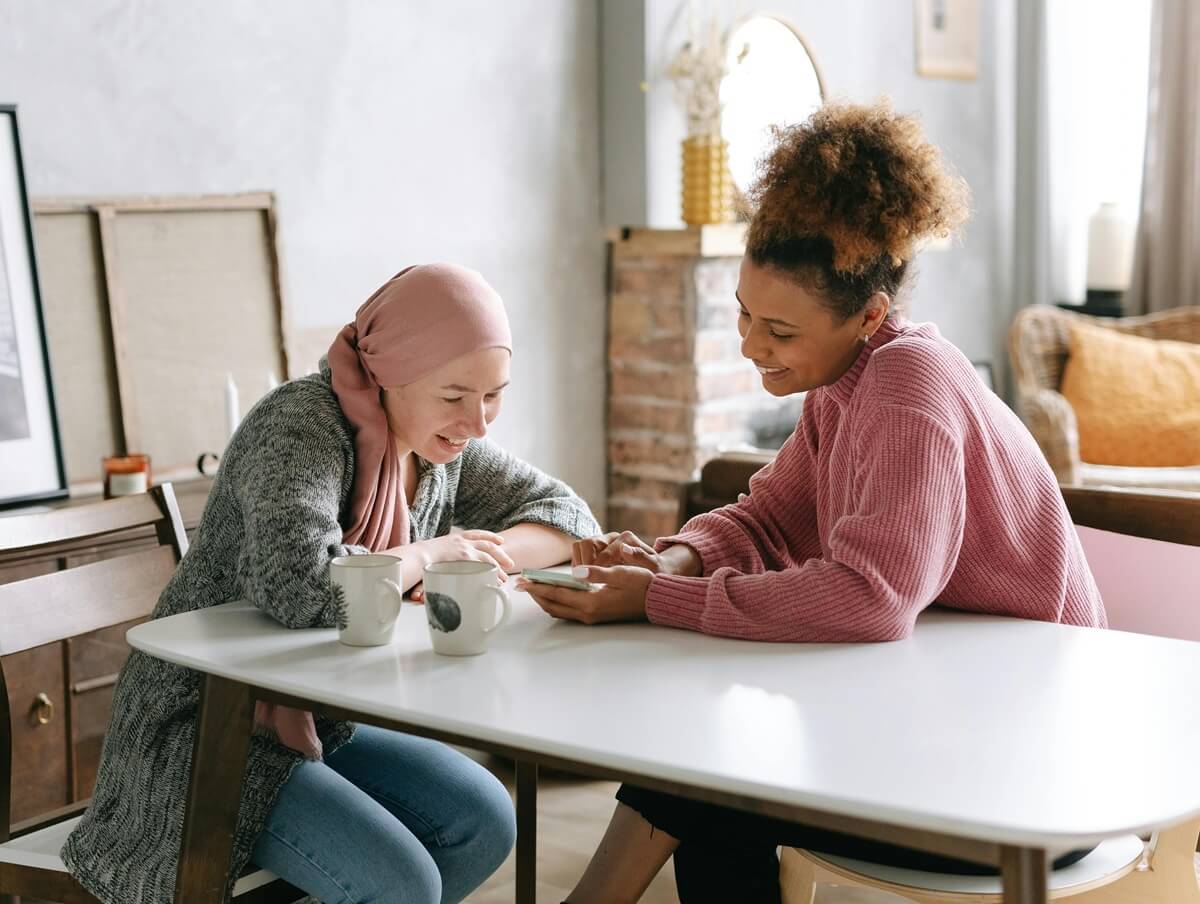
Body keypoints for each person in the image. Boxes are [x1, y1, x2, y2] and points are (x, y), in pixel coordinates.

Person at [517, 102, 1106, 904]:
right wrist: (673, 557)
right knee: (708, 769)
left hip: (1033, 782)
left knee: (719, 783)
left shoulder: (909, 390)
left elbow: (872, 599)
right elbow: (766, 516)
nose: (754, 346)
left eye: (781, 332)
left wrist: (658, 598)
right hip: (950, 722)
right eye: (744, 316)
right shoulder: (846, 383)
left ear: (869, 315)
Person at [63, 263, 600, 904]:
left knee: (481, 820)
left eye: (495, 394)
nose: (480, 422)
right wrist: (428, 553)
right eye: (456, 396)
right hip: (205, 732)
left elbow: (567, 515)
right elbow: (302, 588)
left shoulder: (434, 448)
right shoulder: (302, 426)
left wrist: (486, 556)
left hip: (320, 718)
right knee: (403, 883)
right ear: (389, 372)